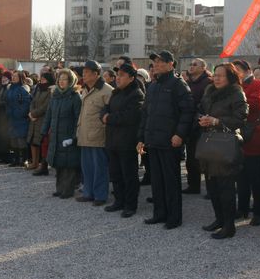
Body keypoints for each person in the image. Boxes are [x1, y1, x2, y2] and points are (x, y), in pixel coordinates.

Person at [138, 50, 195, 230]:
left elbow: (188, 112)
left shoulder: (178, 85)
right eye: (155, 62)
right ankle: (159, 213)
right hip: (153, 140)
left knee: (171, 180)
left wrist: (179, 134)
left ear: (171, 64)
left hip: (170, 141)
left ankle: (174, 217)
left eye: (162, 62)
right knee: (157, 179)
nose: (157, 65)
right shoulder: (153, 86)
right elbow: (146, 114)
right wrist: (141, 138)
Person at [198, 63, 249, 239]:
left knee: (226, 187)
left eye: (221, 75)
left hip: (226, 145)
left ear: (230, 77)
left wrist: (216, 121)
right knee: (212, 186)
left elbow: (240, 119)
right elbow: (199, 110)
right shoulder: (209, 91)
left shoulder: (236, 93)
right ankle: (219, 219)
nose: (216, 78)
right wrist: (202, 119)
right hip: (209, 142)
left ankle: (229, 226)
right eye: (215, 75)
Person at [103, 63, 144, 218]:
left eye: (121, 75)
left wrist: (110, 118)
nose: (118, 78)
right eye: (117, 75)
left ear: (131, 78)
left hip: (127, 141)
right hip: (112, 139)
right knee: (115, 173)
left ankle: (130, 204)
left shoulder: (136, 94)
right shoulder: (116, 92)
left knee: (129, 175)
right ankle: (119, 201)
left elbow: (131, 116)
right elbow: (106, 108)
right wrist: (105, 115)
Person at [232, 60, 260, 226]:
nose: (236, 73)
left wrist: (238, 100)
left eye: (238, 70)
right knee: (241, 177)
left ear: (247, 70)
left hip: (254, 136)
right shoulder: (234, 86)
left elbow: (257, 105)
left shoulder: (257, 84)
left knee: (256, 177)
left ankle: (259, 211)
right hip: (238, 137)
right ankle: (242, 208)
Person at [76, 60, 113, 206]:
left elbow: (109, 115)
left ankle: (100, 195)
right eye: (83, 73)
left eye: (86, 73)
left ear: (96, 74)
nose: (83, 75)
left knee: (100, 167)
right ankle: (88, 192)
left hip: (98, 136)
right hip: (85, 135)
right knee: (87, 167)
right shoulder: (85, 89)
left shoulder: (107, 91)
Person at [41, 69, 82, 198]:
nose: (61, 81)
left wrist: (74, 137)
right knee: (58, 163)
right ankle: (59, 188)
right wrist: (43, 131)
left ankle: (68, 190)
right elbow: (48, 115)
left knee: (68, 164)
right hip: (56, 134)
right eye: (60, 79)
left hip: (68, 135)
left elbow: (78, 119)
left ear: (70, 81)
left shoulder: (75, 97)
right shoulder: (55, 96)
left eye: (64, 79)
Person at [183, 58, 212, 195]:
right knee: (191, 158)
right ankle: (193, 185)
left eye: (195, 64)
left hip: (202, 124)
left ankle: (210, 189)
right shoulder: (189, 82)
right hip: (190, 124)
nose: (192, 66)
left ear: (203, 68)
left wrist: (197, 117)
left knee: (205, 158)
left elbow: (205, 104)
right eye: (191, 64)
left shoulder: (208, 82)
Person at [27, 72, 54, 175]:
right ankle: (34, 162)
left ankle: (43, 165)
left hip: (43, 118)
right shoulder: (38, 88)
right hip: (34, 119)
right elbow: (33, 101)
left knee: (42, 142)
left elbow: (46, 105)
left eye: (44, 79)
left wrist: (34, 114)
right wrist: (31, 113)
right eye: (41, 79)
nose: (41, 81)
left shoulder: (50, 90)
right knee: (33, 140)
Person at [6, 70, 32, 167]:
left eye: (15, 76)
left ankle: (23, 159)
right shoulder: (10, 89)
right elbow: (7, 102)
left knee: (21, 139)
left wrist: (18, 113)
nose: (13, 78)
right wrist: (8, 112)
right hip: (11, 118)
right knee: (13, 139)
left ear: (20, 78)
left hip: (20, 119)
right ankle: (15, 159)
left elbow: (26, 104)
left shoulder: (23, 89)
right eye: (13, 76)